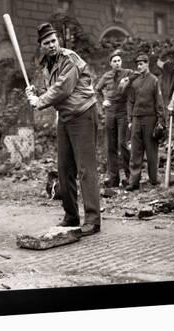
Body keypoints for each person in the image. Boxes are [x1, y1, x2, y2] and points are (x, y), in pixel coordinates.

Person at [25, 22, 100, 236]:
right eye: (46, 43)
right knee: (65, 169)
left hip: (83, 114)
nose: (51, 45)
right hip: (65, 117)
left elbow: (61, 89)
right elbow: (50, 88)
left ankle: (93, 220)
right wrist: (35, 91)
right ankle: (71, 216)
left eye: (53, 41)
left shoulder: (70, 59)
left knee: (85, 169)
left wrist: (38, 101)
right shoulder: (48, 63)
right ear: (41, 45)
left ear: (58, 41)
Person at [94, 49, 135, 188]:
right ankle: (113, 177)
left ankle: (130, 177)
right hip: (110, 112)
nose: (117, 63)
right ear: (110, 63)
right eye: (114, 61)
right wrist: (103, 102)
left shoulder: (127, 72)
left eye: (119, 61)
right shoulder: (106, 76)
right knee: (111, 145)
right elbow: (97, 90)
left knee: (122, 144)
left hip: (122, 111)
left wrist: (128, 80)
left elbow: (138, 76)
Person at [125, 54, 166, 191]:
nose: (139, 66)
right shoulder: (134, 82)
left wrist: (161, 121)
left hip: (150, 118)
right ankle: (134, 182)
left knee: (151, 150)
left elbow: (159, 102)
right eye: (138, 64)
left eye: (142, 63)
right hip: (136, 119)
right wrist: (130, 119)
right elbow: (130, 102)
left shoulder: (154, 80)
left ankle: (153, 180)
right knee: (135, 151)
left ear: (147, 64)